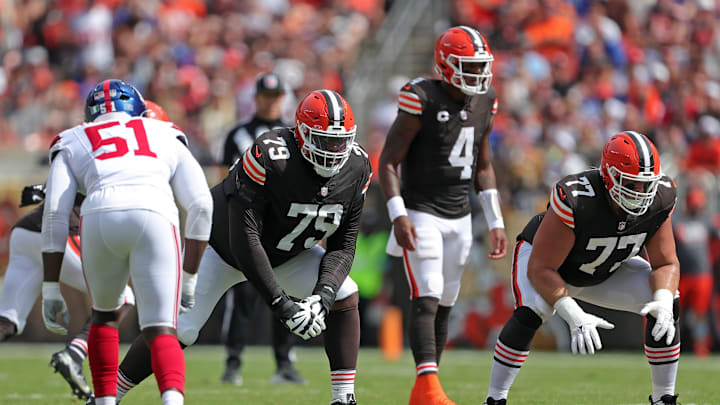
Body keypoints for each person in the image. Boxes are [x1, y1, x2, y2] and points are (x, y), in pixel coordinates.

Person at [110, 89, 372, 405]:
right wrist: (283, 305)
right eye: (324, 140)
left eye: (340, 141)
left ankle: (343, 399)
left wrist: (323, 296)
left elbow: (343, 245)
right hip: (220, 248)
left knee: (344, 293)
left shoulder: (357, 167)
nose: (333, 150)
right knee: (180, 330)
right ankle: (107, 396)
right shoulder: (270, 156)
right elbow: (244, 239)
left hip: (289, 253)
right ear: (302, 133)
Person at [40, 79, 213, 405]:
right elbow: (202, 205)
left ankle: (105, 402)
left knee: (104, 317)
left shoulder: (74, 137)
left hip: (100, 214)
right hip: (156, 213)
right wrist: (190, 276)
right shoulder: (164, 132)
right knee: (162, 329)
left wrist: (50, 286)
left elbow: (54, 214)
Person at [483, 131, 680, 405]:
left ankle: (664, 399)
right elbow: (540, 268)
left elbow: (666, 263)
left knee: (667, 301)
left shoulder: (660, 197)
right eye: (631, 184)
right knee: (534, 309)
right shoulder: (577, 198)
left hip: (605, 267)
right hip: (549, 264)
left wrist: (662, 300)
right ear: (608, 176)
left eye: (646, 184)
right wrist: (573, 314)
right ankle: (494, 399)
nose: (641, 193)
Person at [378, 25, 508, 405]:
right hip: (421, 212)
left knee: (446, 301)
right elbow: (388, 161)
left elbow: (483, 166)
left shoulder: (486, 100)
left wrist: (496, 219)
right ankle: (428, 389)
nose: (478, 75)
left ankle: (430, 387)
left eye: (481, 66)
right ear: (445, 65)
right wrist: (398, 214)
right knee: (428, 294)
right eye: (469, 66)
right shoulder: (421, 97)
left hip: (461, 215)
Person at [0, 184, 135, 401]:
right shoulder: (114, 168)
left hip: (25, 231)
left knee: (7, 321)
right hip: (58, 233)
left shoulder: (77, 157)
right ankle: (75, 353)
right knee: (123, 297)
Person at [218, 73, 304, 386]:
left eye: (276, 95)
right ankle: (233, 363)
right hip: (247, 225)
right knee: (242, 297)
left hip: (281, 228)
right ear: (256, 98)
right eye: (267, 96)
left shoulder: (293, 135)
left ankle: (285, 364)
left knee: (286, 295)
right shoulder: (237, 135)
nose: (271, 101)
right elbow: (222, 179)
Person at [673, 187, 715, 357]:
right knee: (676, 313)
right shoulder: (677, 221)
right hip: (682, 275)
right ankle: (672, 345)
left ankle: (700, 347)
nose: (696, 208)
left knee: (700, 314)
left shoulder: (708, 221)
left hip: (702, 276)